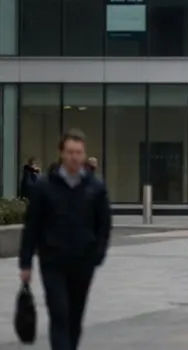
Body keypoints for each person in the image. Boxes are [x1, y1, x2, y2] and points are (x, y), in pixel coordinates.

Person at [19, 130, 112, 350]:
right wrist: (25, 261)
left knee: (75, 317)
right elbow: (32, 225)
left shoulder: (95, 188)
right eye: (70, 152)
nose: (74, 157)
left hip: (83, 261)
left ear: (84, 154)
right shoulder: (44, 186)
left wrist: (97, 254)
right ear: (61, 153)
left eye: (78, 152)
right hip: (53, 261)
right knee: (59, 314)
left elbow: (104, 224)